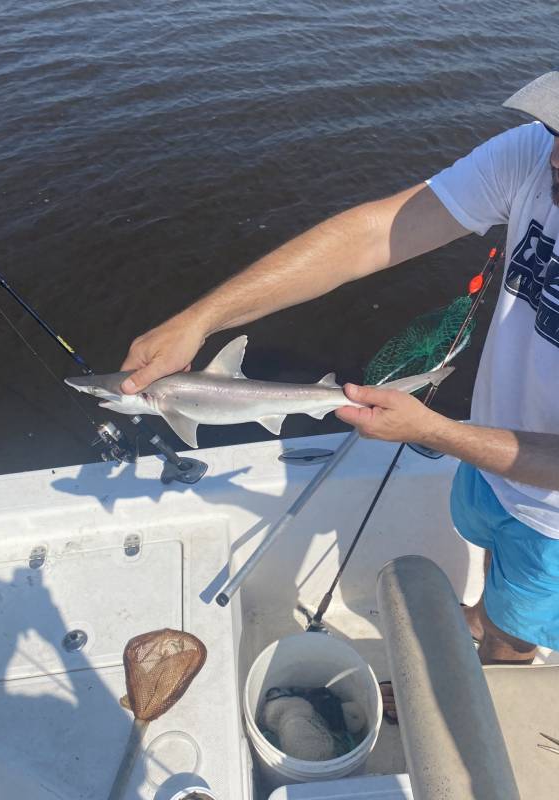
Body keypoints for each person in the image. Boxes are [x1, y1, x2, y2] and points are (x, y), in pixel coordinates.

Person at [120, 70, 559, 719]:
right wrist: (202, 319)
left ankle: (482, 680)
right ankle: (479, 615)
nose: (554, 154)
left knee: (517, 631)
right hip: (492, 456)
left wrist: (432, 430)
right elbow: (373, 232)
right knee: (491, 552)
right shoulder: (534, 153)